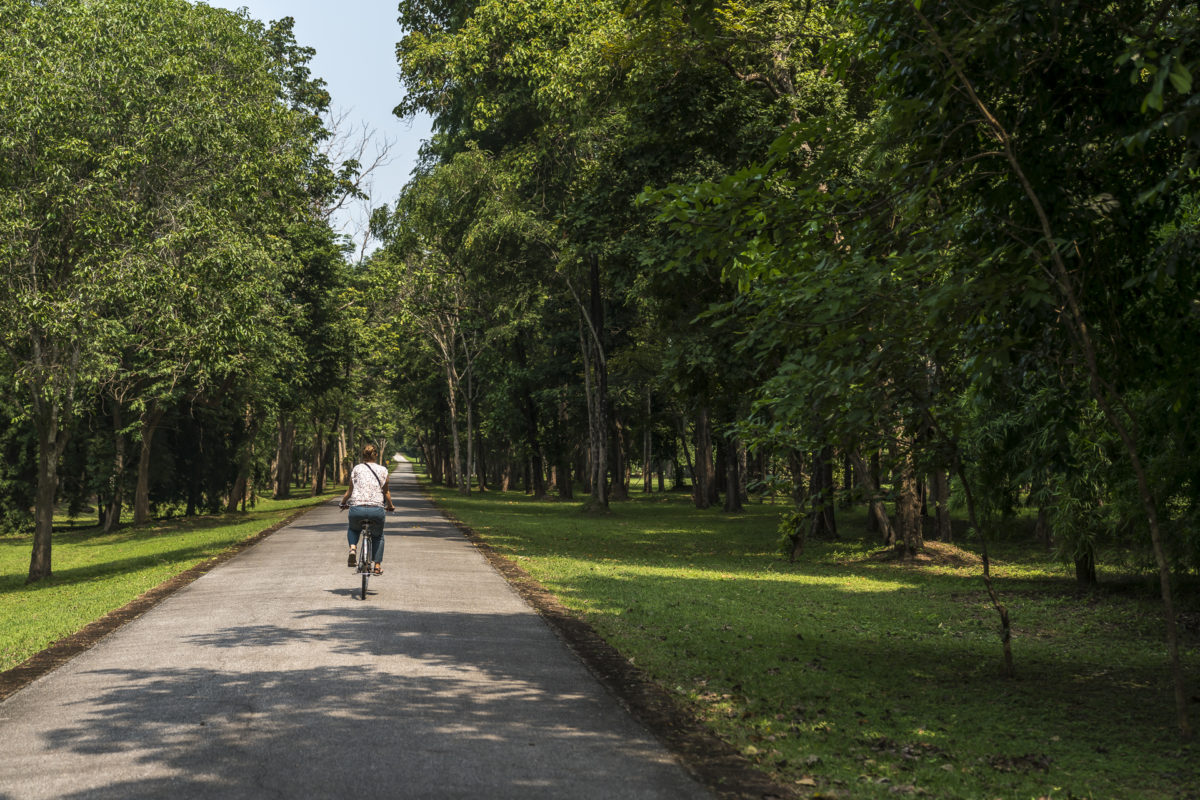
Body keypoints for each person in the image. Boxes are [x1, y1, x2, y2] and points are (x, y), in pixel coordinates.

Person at [338, 444, 394, 575]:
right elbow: (386, 492)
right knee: (378, 536)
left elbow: (350, 491)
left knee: (353, 528)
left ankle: (352, 549)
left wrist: (343, 503)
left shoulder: (357, 469)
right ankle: (377, 567)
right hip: (376, 509)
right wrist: (390, 505)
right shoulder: (383, 470)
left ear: (363, 455)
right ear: (376, 455)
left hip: (357, 508)